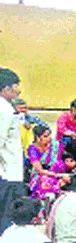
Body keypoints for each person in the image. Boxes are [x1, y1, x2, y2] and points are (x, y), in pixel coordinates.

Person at [0, 68, 27, 233]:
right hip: (8, 172)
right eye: (16, 86)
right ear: (6, 89)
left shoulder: (7, 108)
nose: (19, 90)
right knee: (7, 218)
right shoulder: (4, 110)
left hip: (10, 171)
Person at [27, 124, 69, 201]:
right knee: (46, 181)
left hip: (57, 173)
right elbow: (40, 171)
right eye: (45, 136)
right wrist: (58, 175)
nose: (49, 138)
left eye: (49, 135)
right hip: (40, 176)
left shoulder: (54, 145)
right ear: (37, 137)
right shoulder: (33, 149)